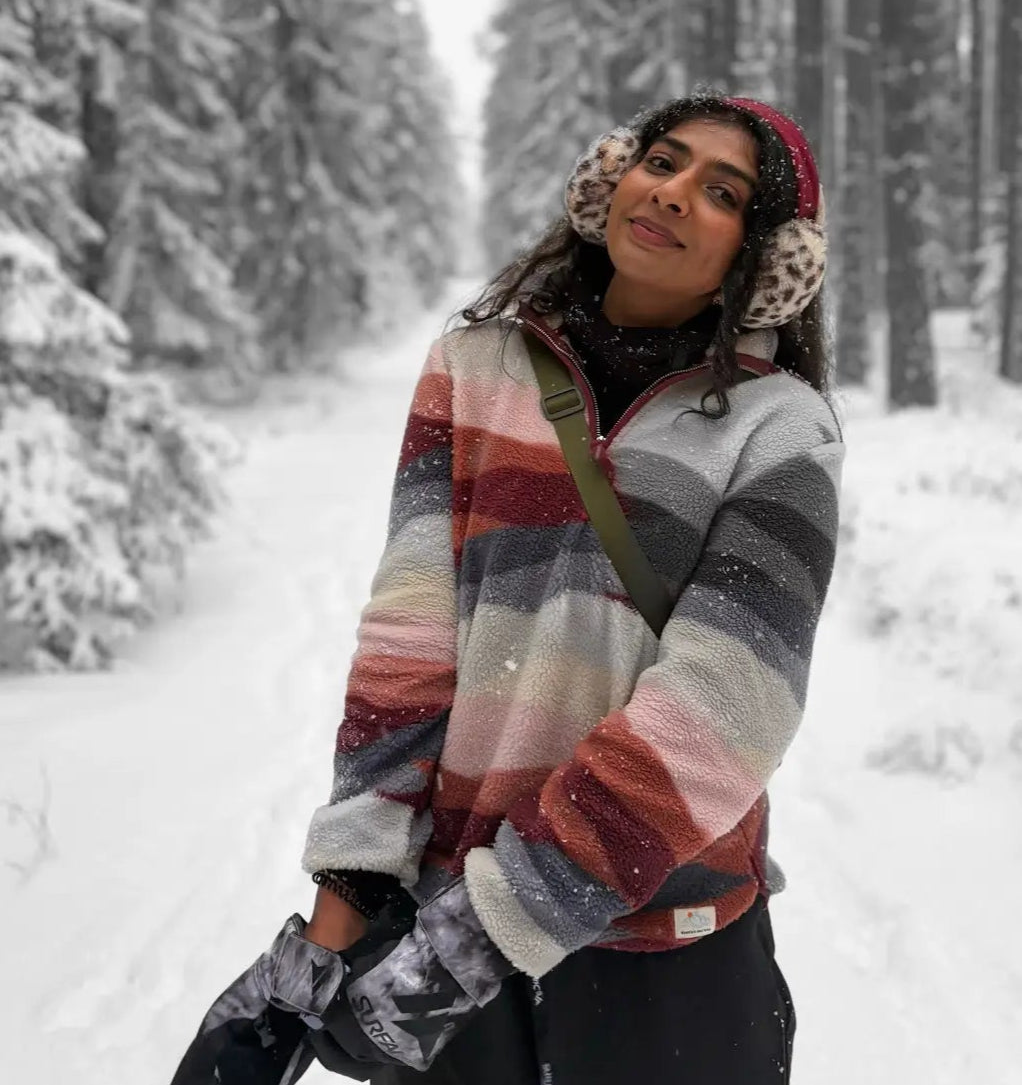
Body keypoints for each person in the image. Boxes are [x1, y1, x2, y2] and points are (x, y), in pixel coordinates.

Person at [170, 91, 843, 1085]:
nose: (672, 193)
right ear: (612, 178)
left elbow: (730, 702)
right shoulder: (473, 366)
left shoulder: (779, 429)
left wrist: (487, 930)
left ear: (767, 257)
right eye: (661, 161)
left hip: (665, 941)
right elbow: (409, 643)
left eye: (722, 192)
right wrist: (335, 918)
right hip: (444, 944)